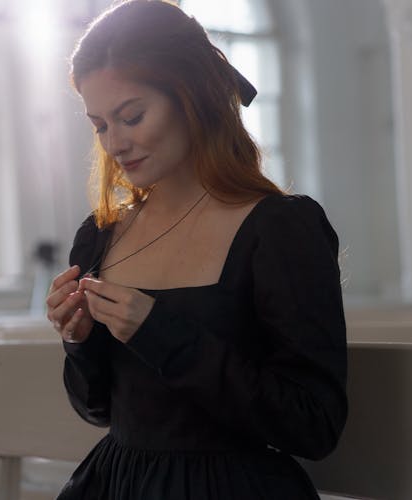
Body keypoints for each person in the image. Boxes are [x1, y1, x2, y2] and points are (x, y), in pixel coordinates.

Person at [45, 1, 347, 498]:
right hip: (116, 484)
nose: (115, 143)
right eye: (100, 125)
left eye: (132, 116)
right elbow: (96, 409)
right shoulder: (99, 235)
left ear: (193, 97)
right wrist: (78, 342)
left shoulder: (280, 228)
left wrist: (162, 333)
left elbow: (313, 425)